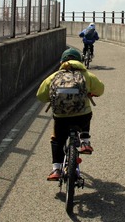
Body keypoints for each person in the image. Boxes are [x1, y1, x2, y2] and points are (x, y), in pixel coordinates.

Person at [36, 48, 105, 181]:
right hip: (81, 117)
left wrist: (50, 97)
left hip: (61, 118)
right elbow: (100, 90)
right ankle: (85, 141)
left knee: (57, 139)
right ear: (79, 61)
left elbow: (40, 96)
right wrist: (91, 92)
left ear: (62, 61)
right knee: (86, 113)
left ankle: (56, 169)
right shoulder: (87, 75)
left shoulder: (54, 76)